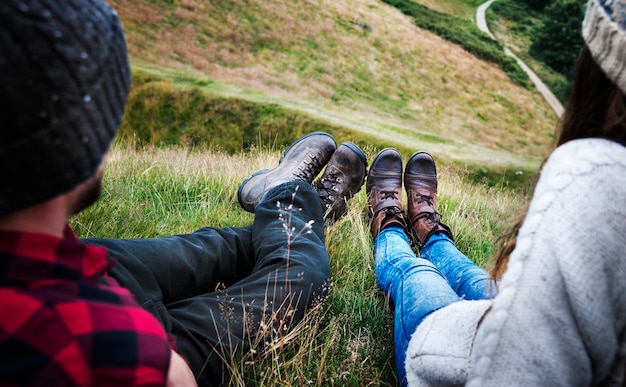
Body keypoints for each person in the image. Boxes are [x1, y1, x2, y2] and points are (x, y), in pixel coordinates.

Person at [0, 0, 368, 386]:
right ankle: (297, 206)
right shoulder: (113, 353)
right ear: (79, 153)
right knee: (301, 276)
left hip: (78, 265)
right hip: (142, 328)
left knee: (221, 246)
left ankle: (294, 212)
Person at [366, 0, 626, 385]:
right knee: (476, 279)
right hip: (511, 334)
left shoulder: (599, 173)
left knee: (417, 275)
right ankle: (428, 230)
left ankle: (388, 226)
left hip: (458, 364)